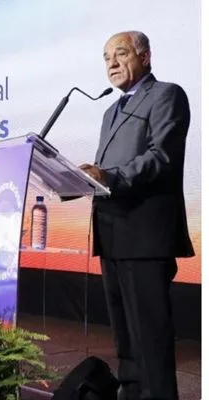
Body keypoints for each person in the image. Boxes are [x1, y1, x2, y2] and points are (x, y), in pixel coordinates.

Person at [79, 31, 194, 400]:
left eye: (120, 53)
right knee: (126, 339)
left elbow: (161, 156)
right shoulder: (111, 110)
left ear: (145, 57)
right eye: (105, 56)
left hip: (144, 233)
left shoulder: (166, 95)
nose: (111, 63)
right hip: (112, 230)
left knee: (150, 337)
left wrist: (110, 176)